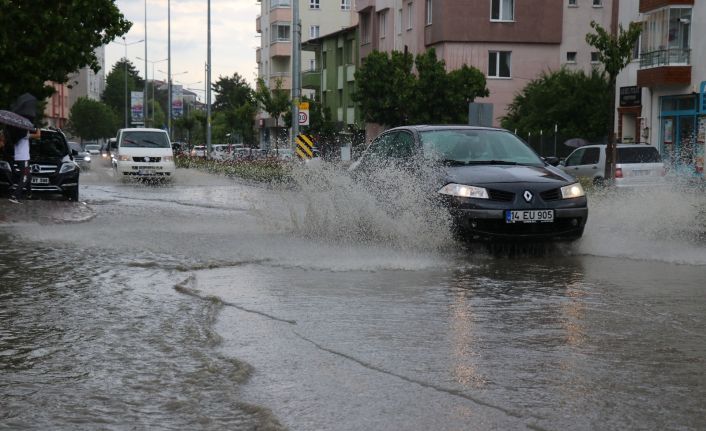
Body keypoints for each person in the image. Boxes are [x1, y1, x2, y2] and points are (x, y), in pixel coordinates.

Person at [6, 93, 37, 204]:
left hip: (20, 157)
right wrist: (36, 128)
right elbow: (37, 135)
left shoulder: (16, 132)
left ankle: (29, 194)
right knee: (25, 177)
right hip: (23, 158)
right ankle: (15, 196)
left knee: (28, 175)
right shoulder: (23, 133)